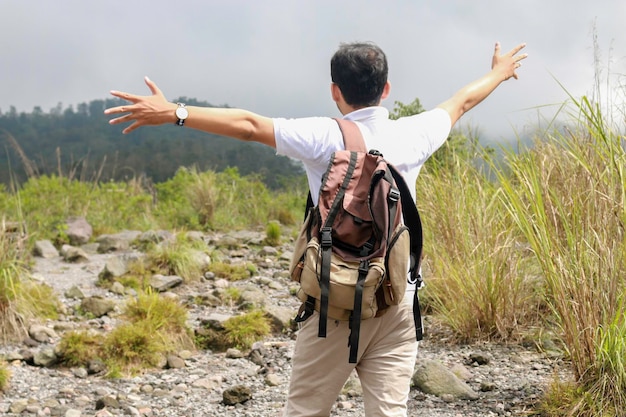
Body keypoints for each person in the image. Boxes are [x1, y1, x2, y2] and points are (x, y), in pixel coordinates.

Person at [105, 40, 527, 417]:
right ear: (386, 89)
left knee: (306, 410)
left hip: (336, 303)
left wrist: (174, 112)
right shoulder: (414, 133)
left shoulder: (323, 136)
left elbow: (250, 126)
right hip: (397, 299)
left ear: (335, 91)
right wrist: (500, 72)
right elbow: (462, 102)